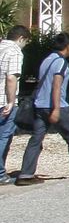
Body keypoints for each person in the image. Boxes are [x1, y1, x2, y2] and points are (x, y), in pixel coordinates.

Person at [15, 33, 69, 185]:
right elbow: (56, 85)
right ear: (68, 46)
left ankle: (25, 174)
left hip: (39, 105)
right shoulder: (61, 62)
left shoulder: (47, 60)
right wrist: (56, 109)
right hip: (56, 105)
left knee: (36, 139)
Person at [0, 25, 26, 182]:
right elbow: (11, 78)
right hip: (3, 100)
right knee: (4, 136)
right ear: (21, 38)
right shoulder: (15, 51)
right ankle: (0, 174)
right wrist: (11, 102)